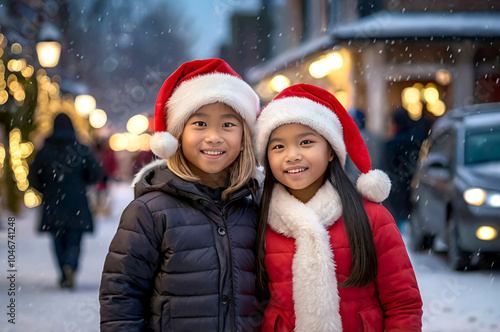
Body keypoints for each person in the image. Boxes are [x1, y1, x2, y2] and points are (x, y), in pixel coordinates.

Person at [99, 58, 262, 331]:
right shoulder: (149, 211)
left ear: (245, 136)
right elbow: (121, 295)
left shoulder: (255, 205)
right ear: (176, 135)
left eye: (228, 125)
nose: (214, 137)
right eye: (199, 124)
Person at [254, 84, 423, 332]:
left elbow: (403, 304)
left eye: (306, 142)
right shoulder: (259, 219)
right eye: (278, 146)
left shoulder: (372, 217)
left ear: (331, 151)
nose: (292, 155)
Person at [28, 113, 101, 289]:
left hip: (53, 200)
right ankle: (71, 264)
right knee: (75, 237)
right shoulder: (80, 148)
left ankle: (63, 271)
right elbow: (95, 173)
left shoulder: (44, 150)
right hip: (76, 200)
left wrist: (44, 190)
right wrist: (82, 182)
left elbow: (33, 177)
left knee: (57, 238)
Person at [384, 107, 427, 231]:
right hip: (416, 181)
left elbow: (389, 162)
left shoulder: (395, 141)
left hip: (399, 183)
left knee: (399, 215)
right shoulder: (418, 136)